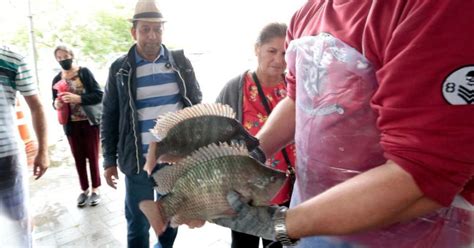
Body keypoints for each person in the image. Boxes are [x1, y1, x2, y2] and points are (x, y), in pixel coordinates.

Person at [177, 1, 474, 247]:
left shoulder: (436, 8)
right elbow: (298, 100)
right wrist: (253, 152)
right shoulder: (309, 12)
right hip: (314, 222)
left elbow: (426, 172)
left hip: (413, 236)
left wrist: (280, 223)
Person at [101, 0, 202, 247]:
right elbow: (110, 115)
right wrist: (108, 160)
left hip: (173, 160)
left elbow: (196, 104)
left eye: (157, 29)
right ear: (133, 31)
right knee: (137, 223)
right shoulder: (120, 69)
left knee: (169, 217)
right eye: (145, 29)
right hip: (137, 161)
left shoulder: (180, 62)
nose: (152, 36)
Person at [216, 22, 295, 248]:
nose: (279, 60)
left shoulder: (294, 89)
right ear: (257, 49)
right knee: (243, 245)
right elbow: (215, 137)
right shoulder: (235, 88)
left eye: (285, 52)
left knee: (281, 244)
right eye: (272, 51)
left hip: (286, 190)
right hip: (245, 194)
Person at [0, 45, 49, 247]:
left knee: (18, 224)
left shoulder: (11, 58)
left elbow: (36, 106)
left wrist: (43, 151)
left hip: (6, 159)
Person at [52, 45, 103, 207]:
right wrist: (57, 103)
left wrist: (78, 99)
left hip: (88, 122)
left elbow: (98, 95)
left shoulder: (84, 72)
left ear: (72, 55)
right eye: (59, 58)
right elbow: (54, 101)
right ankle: (84, 189)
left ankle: (96, 189)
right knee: (78, 158)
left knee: (93, 156)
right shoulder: (56, 79)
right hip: (70, 125)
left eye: (65, 56)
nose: (63, 60)